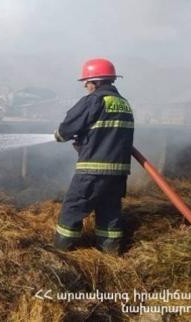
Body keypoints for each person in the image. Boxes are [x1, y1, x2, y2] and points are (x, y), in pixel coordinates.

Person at [53, 58, 134, 255]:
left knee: (73, 207)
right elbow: (105, 134)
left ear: (97, 81)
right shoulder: (123, 103)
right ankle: (110, 251)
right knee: (109, 210)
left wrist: (59, 135)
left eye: (87, 82)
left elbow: (68, 127)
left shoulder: (94, 100)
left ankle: (62, 251)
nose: (85, 86)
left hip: (93, 170)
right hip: (118, 173)